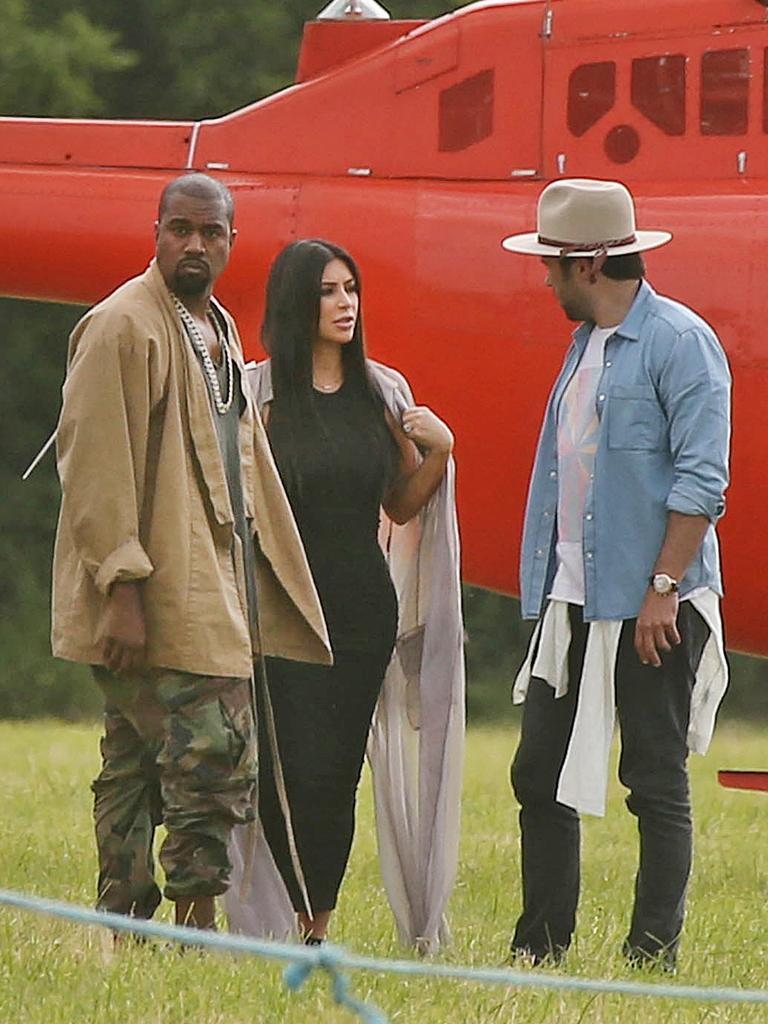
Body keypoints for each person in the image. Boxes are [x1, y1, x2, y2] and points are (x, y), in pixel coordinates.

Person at [52, 173, 330, 933]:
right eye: (181, 229)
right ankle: (187, 921)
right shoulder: (122, 325)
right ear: (157, 233)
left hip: (210, 578)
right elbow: (96, 466)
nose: (195, 245)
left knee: (142, 757)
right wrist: (121, 585)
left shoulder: (218, 328)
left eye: (211, 233)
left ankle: (132, 924)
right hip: (150, 586)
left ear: (233, 242)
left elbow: (238, 463)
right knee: (213, 750)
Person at [500, 178, 731, 969]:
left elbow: (704, 480)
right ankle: (540, 946)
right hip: (572, 600)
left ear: (590, 262)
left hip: (651, 601)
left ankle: (651, 952)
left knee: (654, 781)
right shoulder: (584, 347)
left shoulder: (681, 341)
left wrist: (663, 588)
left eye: (553, 265)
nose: (545, 279)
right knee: (538, 773)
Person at [225, 239, 465, 950]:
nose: (346, 303)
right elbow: (235, 504)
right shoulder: (258, 394)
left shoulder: (379, 391)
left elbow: (399, 504)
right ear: (297, 302)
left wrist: (443, 452)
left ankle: (314, 926)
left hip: (360, 612)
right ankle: (265, 915)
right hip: (281, 611)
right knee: (279, 768)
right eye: (329, 291)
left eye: (352, 289)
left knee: (334, 773)